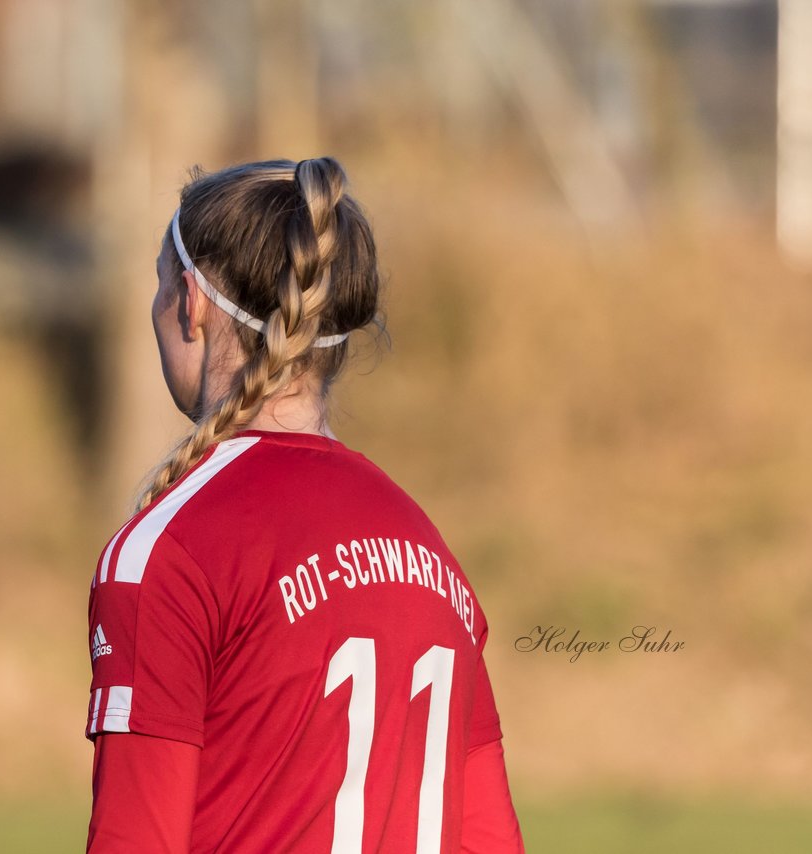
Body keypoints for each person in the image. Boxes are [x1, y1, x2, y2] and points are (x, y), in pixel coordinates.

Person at [84, 157, 524, 852]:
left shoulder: (165, 553)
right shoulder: (430, 554)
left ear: (192, 306)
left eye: (161, 283)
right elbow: (491, 839)